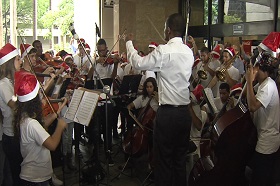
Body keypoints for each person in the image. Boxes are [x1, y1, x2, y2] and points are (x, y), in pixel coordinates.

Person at [126, 13, 194, 186]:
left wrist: (129, 44)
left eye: (165, 29)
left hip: (168, 115)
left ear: (169, 30)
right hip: (184, 114)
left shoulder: (164, 51)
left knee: (163, 162)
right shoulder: (188, 52)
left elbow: (138, 63)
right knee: (179, 162)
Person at [13, 70, 67, 186]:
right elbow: (52, 145)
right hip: (36, 178)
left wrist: (56, 113)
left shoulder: (24, 116)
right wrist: (60, 127)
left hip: (35, 175)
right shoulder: (31, 123)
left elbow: (42, 126)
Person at [245, 52, 280, 186]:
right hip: (262, 136)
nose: (251, 71)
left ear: (258, 68)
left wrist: (249, 81)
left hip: (268, 141)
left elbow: (253, 106)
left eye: (252, 68)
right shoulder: (262, 84)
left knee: (260, 179)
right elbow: (248, 95)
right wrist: (247, 82)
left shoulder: (268, 86)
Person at [0, 43, 23, 185]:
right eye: (18, 59)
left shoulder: (12, 81)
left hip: (17, 132)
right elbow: (14, 105)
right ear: (9, 63)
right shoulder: (3, 84)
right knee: (16, 172)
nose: (21, 62)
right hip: (10, 135)